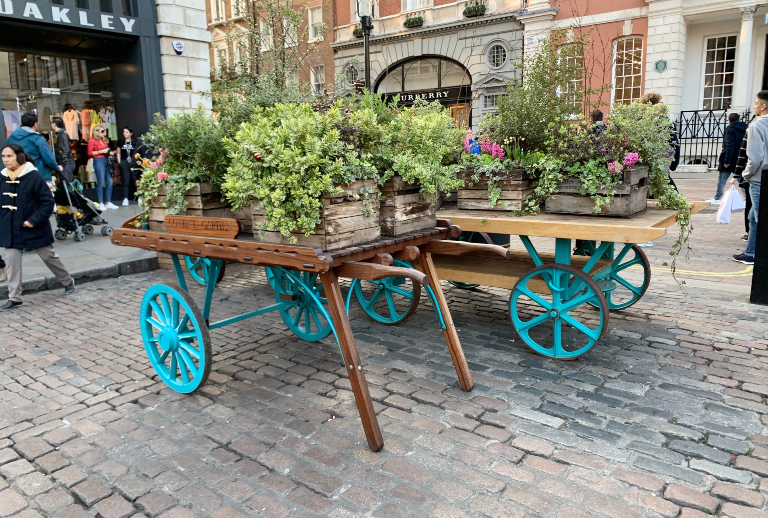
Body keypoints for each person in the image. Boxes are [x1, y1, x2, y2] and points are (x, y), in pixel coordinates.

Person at [0, 144, 76, 312]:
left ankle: (68, 281)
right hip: (11, 229)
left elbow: (47, 202)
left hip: (34, 227)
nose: (6, 160)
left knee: (50, 257)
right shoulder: (3, 177)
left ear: (19, 157)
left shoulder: (33, 176)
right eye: (3, 156)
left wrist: (33, 220)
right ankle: (14, 298)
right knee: (12, 263)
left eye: (9, 156)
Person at [732, 91, 767, 265]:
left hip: (759, 180)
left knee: (759, 219)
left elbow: (755, 158)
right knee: (753, 217)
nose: (754, 107)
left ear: (763, 106)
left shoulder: (756, 126)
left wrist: (745, 175)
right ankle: (750, 252)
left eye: (755, 103)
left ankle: (758, 256)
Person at [7, 112, 63, 183]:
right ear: (35, 124)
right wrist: (57, 167)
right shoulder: (37, 138)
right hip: (38, 175)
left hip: (18, 175)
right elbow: (48, 158)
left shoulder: (11, 138)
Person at [709, 113, 748, 203]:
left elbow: (729, 145)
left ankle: (717, 198)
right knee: (740, 178)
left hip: (731, 157)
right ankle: (746, 198)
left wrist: (727, 160)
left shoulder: (730, 129)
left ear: (729, 121)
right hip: (742, 157)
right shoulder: (746, 128)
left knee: (722, 178)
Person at [88, 125, 118, 211]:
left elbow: (107, 151)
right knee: (100, 182)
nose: (104, 133)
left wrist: (112, 153)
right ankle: (101, 203)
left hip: (105, 160)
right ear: (96, 132)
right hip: (98, 161)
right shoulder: (92, 140)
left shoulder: (104, 141)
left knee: (109, 181)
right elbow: (90, 153)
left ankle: (108, 202)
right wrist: (102, 151)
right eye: (102, 131)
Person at [734, 123, 751, 241]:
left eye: (756, 103)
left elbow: (743, 153)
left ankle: (749, 233)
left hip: (753, 177)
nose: (754, 107)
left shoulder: (754, 128)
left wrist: (741, 174)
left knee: (750, 206)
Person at [116, 127, 139, 206]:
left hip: (133, 162)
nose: (124, 133)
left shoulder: (135, 142)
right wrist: (119, 162)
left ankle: (139, 197)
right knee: (126, 180)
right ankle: (125, 198)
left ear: (131, 133)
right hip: (124, 162)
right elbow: (118, 152)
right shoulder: (120, 142)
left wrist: (136, 161)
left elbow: (138, 152)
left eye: (126, 132)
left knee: (135, 179)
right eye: (124, 132)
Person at [51, 117, 76, 184]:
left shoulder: (62, 134)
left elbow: (66, 150)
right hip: (66, 163)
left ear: (54, 124)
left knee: (67, 185)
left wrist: (62, 163)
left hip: (66, 164)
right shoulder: (61, 134)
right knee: (65, 185)